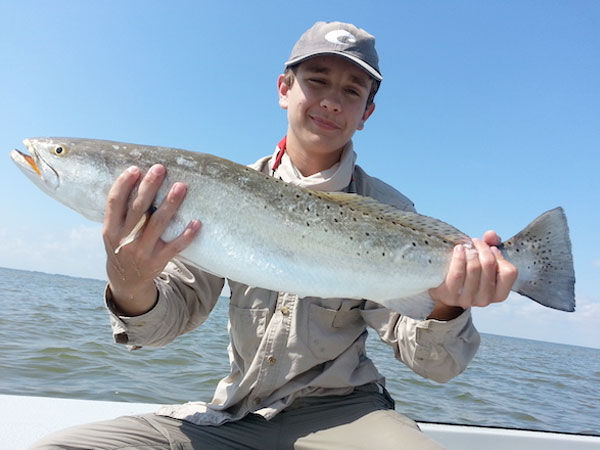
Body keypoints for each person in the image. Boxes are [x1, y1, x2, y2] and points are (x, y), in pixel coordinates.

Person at [32, 21, 517, 450]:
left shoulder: (390, 212)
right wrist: (129, 279)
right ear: (284, 87)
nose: (331, 100)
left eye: (352, 91)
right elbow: (162, 327)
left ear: (367, 112)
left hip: (347, 414)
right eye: (317, 80)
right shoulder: (205, 192)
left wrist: (447, 304)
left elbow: (436, 366)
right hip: (237, 415)